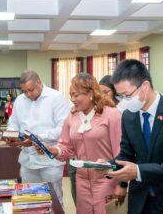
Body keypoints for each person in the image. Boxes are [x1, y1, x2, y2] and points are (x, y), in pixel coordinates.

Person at [105, 59, 163, 213]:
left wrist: (139, 171)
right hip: (141, 201)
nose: (123, 101)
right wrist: (107, 166)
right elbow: (126, 154)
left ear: (145, 86)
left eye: (127, 95)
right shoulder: (129, 116)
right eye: (120, 97)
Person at [35, 73, 122, 214]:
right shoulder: (72, 117)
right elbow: (66, 148)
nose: (72, 99)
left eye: (76, 95)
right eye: (71, 95)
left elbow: (121, 153)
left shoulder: (112, 114)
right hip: (81, 181)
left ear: (91, 93)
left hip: (107, 180)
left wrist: (121, 184)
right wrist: (52, 150)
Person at [6, 70, 69, 205]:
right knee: (29, 199)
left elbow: (63, 128)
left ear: (39, 82)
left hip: (50, 161)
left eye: (31, 90)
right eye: (24, 91)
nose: (28, 94)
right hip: (27, 160)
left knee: (53, 199)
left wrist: (37, 139)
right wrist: (11, 135)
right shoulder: (19, 100)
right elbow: (13, 123)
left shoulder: (56, 97)